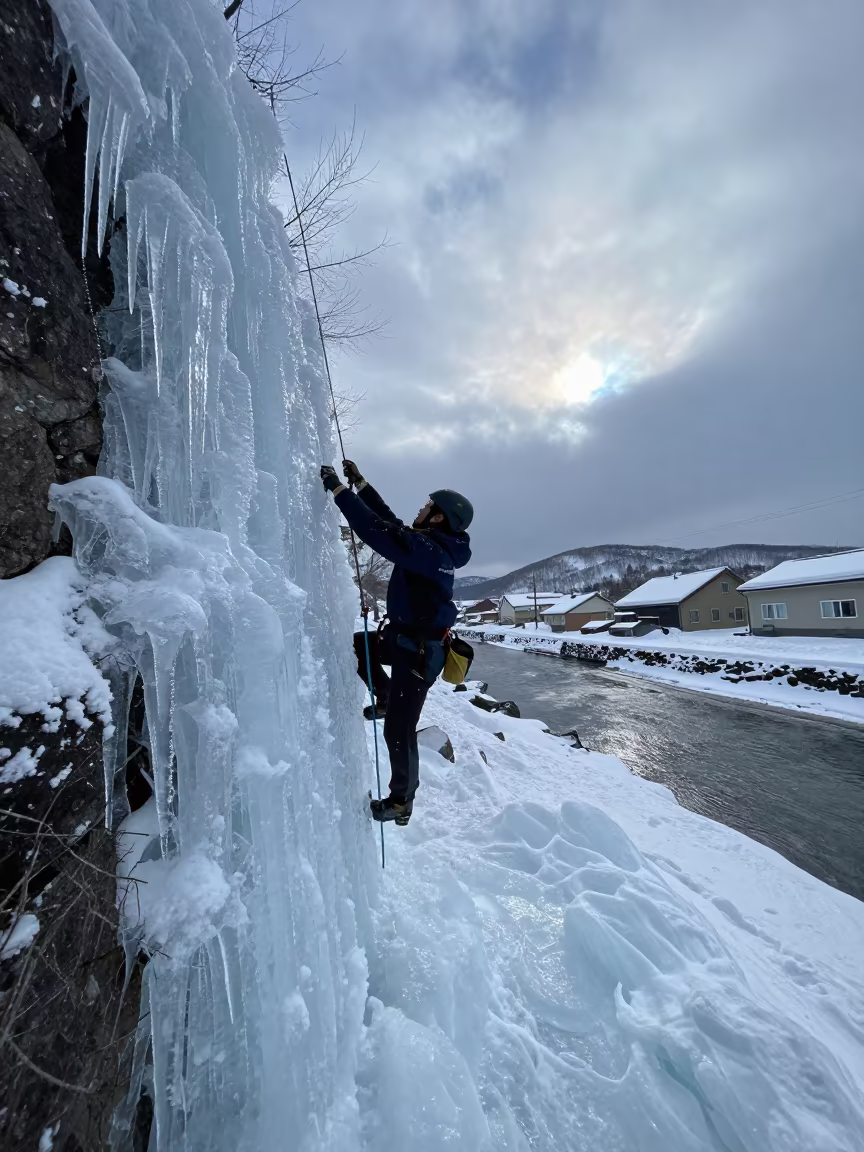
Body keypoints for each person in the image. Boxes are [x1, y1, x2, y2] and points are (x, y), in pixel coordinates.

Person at [320, 459, 473, 825]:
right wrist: (362, 486)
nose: (421, 508)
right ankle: (386, 696)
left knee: (399, 731)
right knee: (361, 645)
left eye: (427, 506)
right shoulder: (432, 545)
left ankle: (402, 801)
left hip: (419, 656)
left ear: (438, 518)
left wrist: (339, 492)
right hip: (407, 643)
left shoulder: (430, 553)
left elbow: (379, 532)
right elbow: (391, 522)